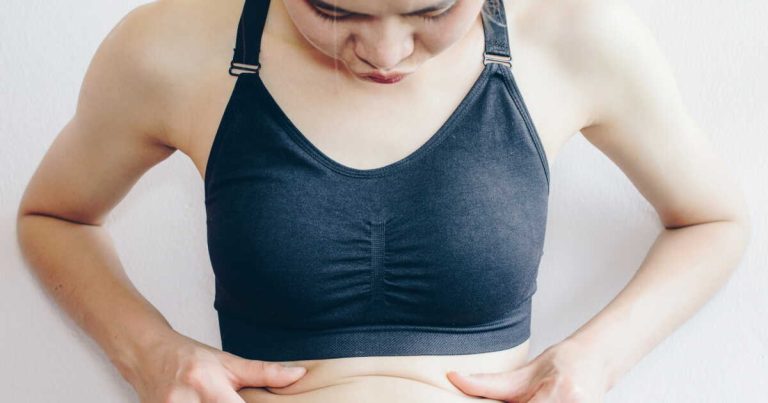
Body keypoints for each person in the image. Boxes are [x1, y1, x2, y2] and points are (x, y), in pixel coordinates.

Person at [16, 0, 751, 402]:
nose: (386, 52)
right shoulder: (171, 47)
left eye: (433, 9)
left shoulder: (575, 37)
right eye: (335, 10)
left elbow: (714, 220)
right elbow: (54, 215)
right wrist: (148, 353)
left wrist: (595, 359)